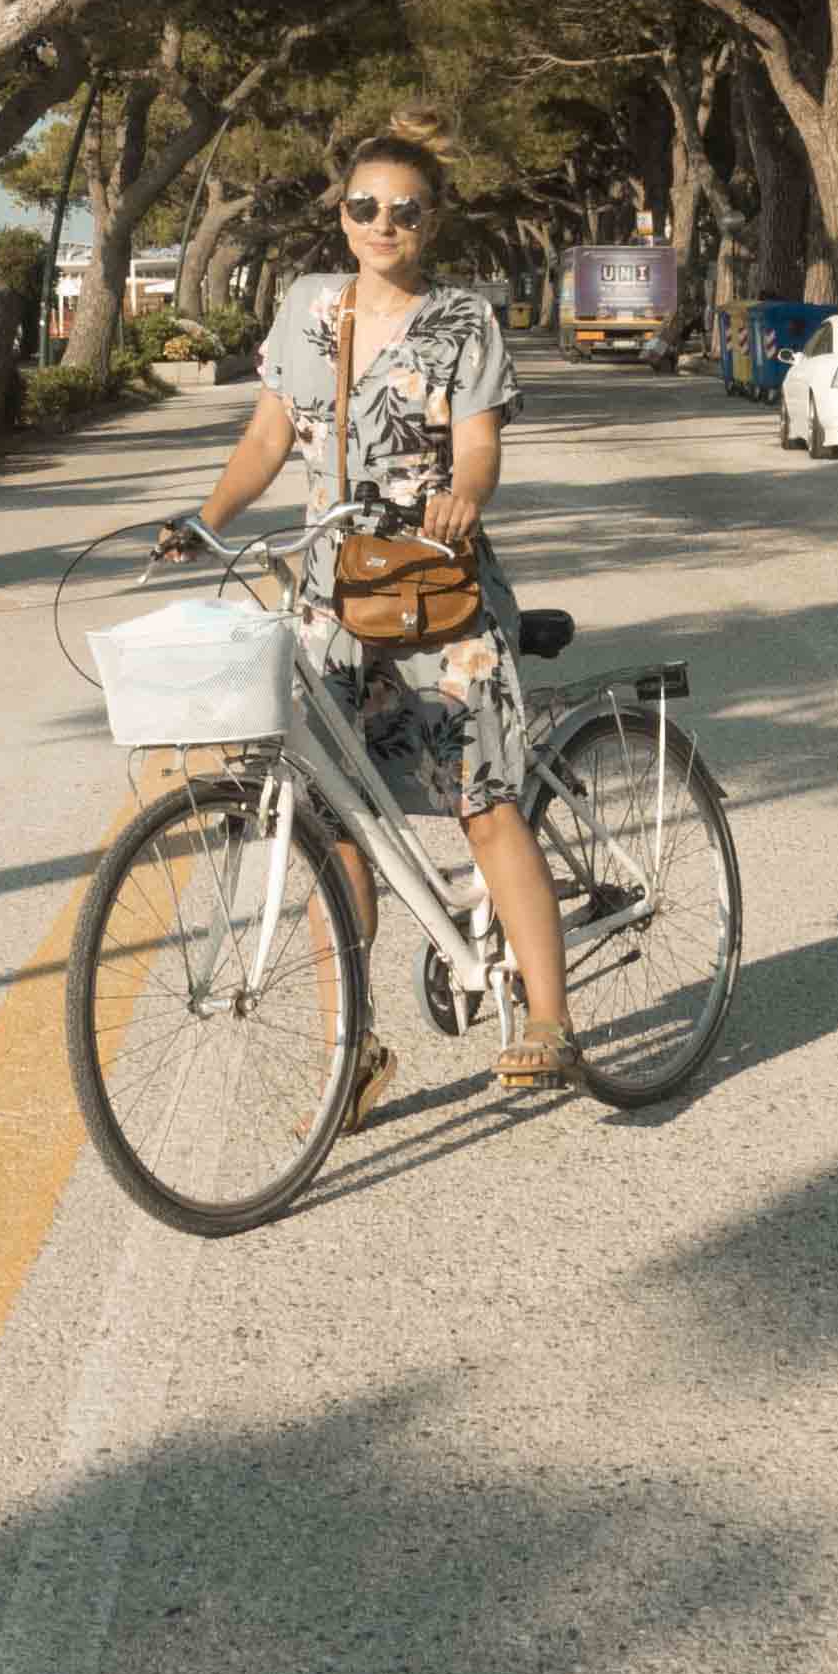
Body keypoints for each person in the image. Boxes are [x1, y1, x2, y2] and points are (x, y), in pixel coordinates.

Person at [163, 129, 573, 1093]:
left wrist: (467, 493)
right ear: (340, 213)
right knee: (332, 820)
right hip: (328, 599)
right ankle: (354, 1048)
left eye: (405, 210)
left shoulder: (464, 320)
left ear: (431, 223)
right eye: (364, 207)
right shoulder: (306, 305)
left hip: (435, 589)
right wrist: (204, 518)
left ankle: (552, 1021)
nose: (382, 224)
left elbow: (478, 449)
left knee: (485, 806)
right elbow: (269, 436)